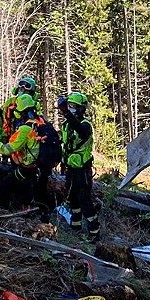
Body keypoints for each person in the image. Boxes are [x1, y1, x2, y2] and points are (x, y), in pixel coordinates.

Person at [0, 92, 61, 215]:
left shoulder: (25, 129)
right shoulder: (43, 123)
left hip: (28, 169)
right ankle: (40, 211)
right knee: (38, 191)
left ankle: (4, 210)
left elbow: (7, 150)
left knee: (6, 183)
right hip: (43, 168)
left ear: (20, 112)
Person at [57, 91, 99, 240]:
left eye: (73, 106)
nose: (70, 108)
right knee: (73, 199)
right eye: (69, 105)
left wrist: (66, 112)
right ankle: (75, 227)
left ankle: (94, 232)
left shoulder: (85, 125)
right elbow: (65, 143)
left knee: (85, 200)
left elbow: (81, 132)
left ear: (81, 108)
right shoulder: (66, 124)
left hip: (82, 170)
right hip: (71, 168)